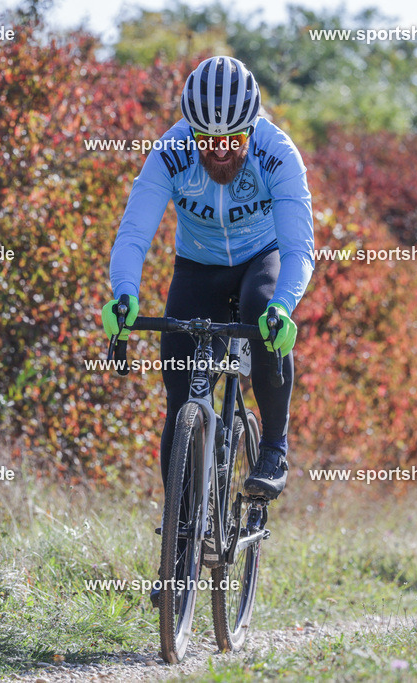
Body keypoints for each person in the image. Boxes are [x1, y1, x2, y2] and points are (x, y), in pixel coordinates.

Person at [101, 55, 314, 503]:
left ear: (252, 128)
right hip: (198, 267)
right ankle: (180, 533)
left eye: (234, 139)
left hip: (262, 258)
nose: (219, 150)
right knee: (180, 398)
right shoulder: (171, 152)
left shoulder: (278, 153)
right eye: (207, 139)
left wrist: (283, 306)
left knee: (263, 312)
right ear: (190, 130)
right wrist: (124, 294)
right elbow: (133, 235)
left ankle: (273, 449)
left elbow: (298, 250)